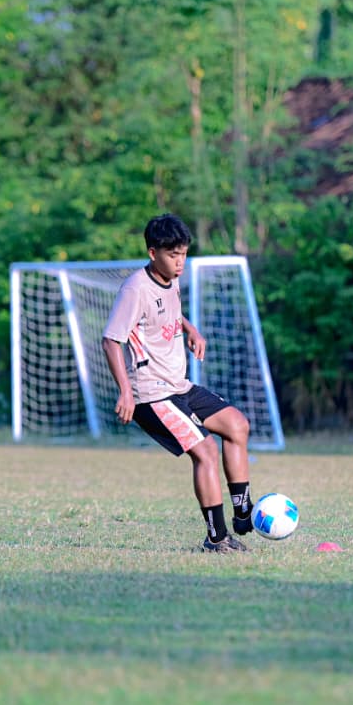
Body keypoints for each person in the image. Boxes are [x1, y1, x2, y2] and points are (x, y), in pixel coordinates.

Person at [101, 213, 254, 553]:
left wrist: (190, 328)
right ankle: (217, 538)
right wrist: (125, 391)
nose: (180, 261)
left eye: (184, 253)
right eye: (173, 255)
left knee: (237, 425)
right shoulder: (134, 289)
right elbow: (112, 340)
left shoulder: (172, 278)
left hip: (179, 386)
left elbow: (168, 309)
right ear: (153, 252)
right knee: (206, 452)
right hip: (151, 394)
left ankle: (243, 508)